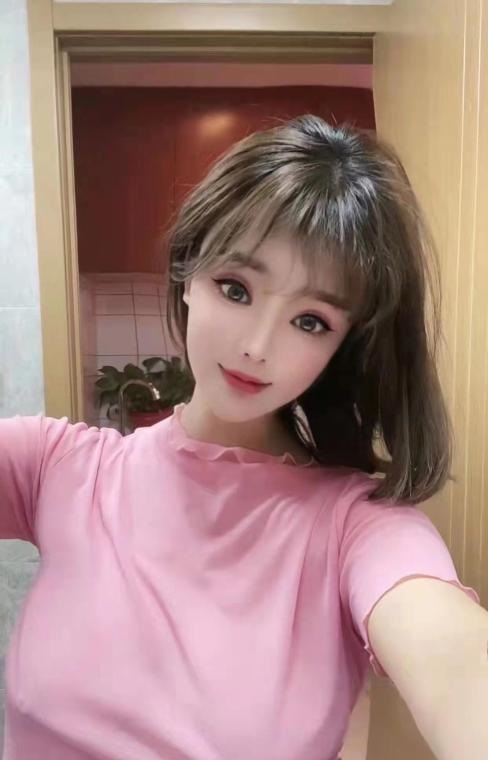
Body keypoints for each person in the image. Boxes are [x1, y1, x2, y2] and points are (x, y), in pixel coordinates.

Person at [0, 115, 482, 760]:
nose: (257, 346)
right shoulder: (56, 468)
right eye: (236, 288)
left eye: (310, 321)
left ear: (342, 346)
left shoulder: (356, 528)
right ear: (187, 274)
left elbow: (454, 659)